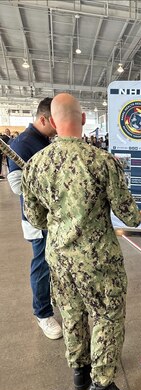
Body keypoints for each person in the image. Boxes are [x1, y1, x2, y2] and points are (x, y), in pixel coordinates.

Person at [21, 93, 141, 390]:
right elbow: (129, 215)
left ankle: (79, 371)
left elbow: (36, 218)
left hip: (59, 257)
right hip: (98, 261)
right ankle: (102, 386)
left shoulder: (35, 165)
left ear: (52, 123)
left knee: (71, 312)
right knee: (107, 316)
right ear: (82, 120)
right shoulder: (103, 161)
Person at [7, 98, 62, 340]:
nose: (58, 127)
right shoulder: (22, 143)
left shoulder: (45, 140)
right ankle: (42, 313)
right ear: (42, 119)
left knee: (53, 261)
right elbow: (16, 185)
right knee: (41, 264)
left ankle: (50, 297)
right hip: (36, 220)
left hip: (54, 217)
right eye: (54, 122)